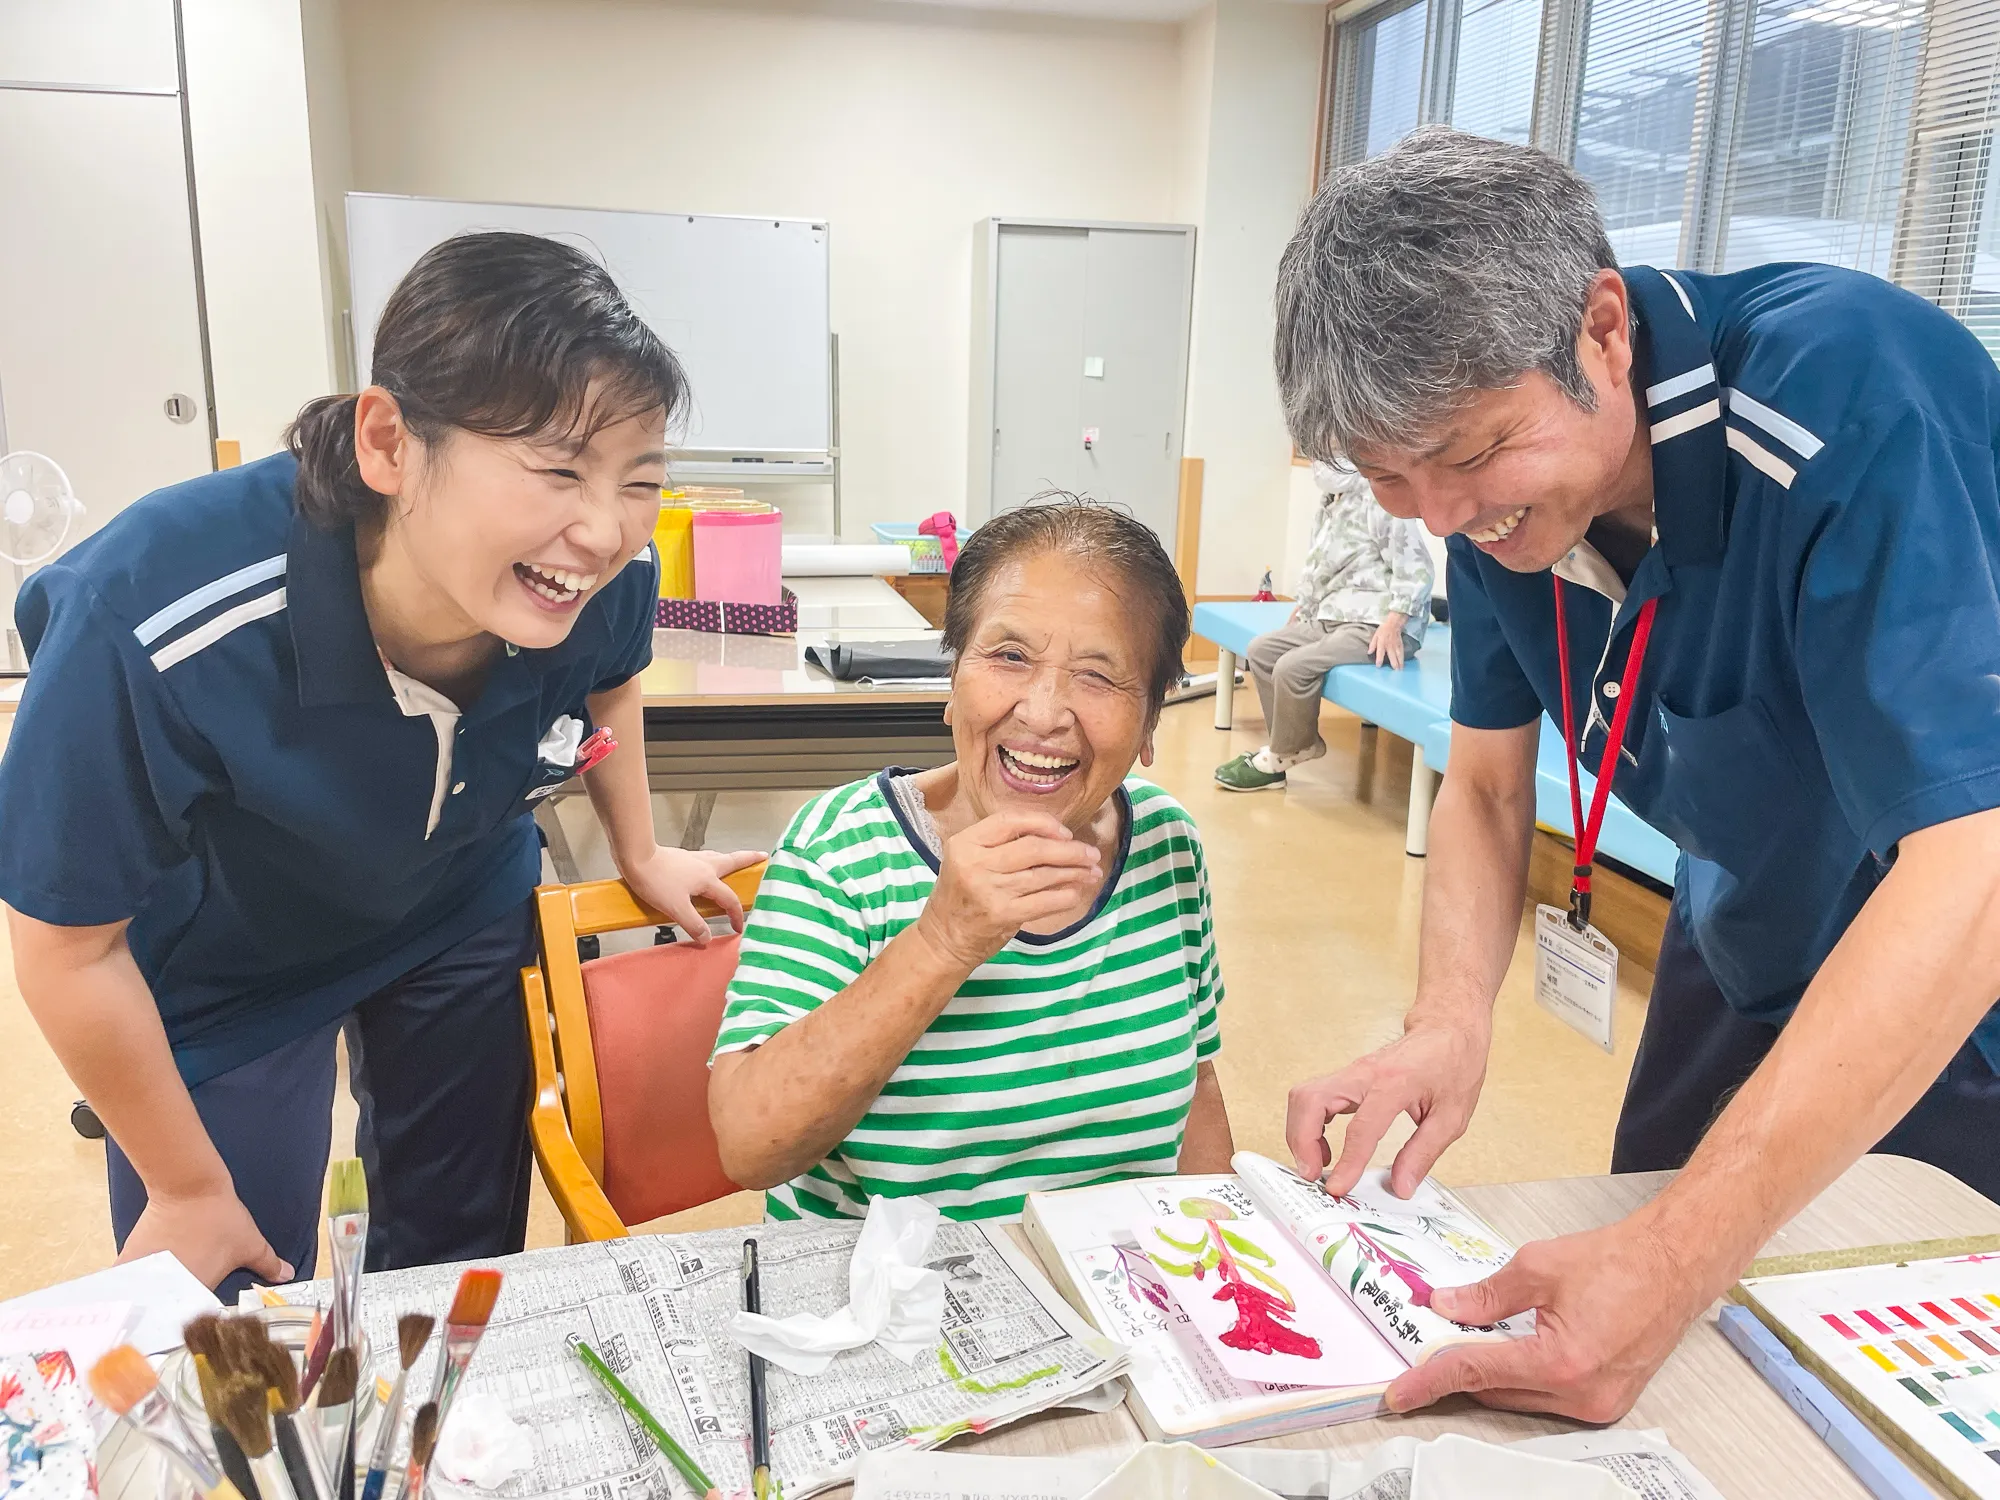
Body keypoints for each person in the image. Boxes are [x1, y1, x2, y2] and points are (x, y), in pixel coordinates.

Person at [1271, 128, 2000, 1421]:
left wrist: (1676, 1258)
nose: (1444, 519)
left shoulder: (1849, 398)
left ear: (1602, 328)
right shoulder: (1483, 507)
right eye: (1393, 478)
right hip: (1750, 926)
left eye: (1473, 452)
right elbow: (1491, 788)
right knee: (1633, 1347)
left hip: (1955, 971)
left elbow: (1974, 857)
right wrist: (1449, 1018)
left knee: (1867, 1393)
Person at [0, 232, 760, 1296]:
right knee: (232, 1305)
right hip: (232, 959)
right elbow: (65, 949)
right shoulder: (150, 617)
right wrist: (180, 1189)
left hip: (455, 903)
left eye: (639, 480)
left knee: (452, 1277)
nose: (601, 530)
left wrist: (638, 851)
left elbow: (611, 682)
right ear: (389, 443)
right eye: (555, 468)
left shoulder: (593, 573)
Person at [707, 498, 1233, 1220]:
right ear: (953, 681)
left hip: (1115, 1295)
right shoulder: (840, 853)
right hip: (895, 1306)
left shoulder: (1166, 847)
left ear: (1149, 721)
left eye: (1099, 676)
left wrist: (1223, 1260)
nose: (1044, 713)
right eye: (1010, 657)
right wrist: (942, 940)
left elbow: (1197, 1095)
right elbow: (749, 1148)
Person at [1215, 460, 1433, 792]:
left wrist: (1395, 621)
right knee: (1262, 650)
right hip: (1331, 615)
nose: (1319, 462)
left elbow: (1417, 568)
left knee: (1292, 667)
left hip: (1375, 622)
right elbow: (1321, 564)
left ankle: (1284, 755)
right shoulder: (1332, 501)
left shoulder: (1380, 498)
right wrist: (1306, 605)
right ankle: (1287, 745)